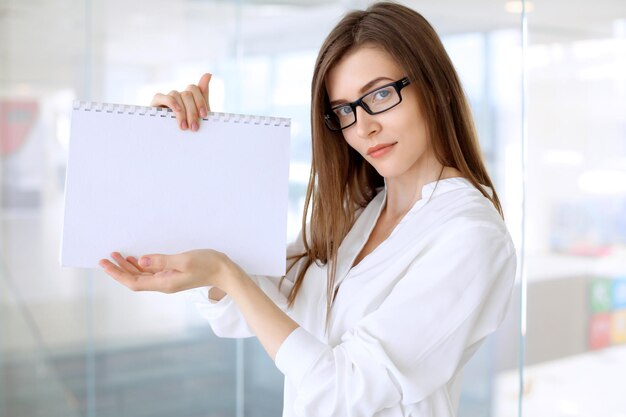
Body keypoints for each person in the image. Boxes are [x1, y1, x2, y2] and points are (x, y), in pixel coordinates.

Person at [99, 2, 517, 416]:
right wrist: (184, 149)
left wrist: (224, 273)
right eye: (344, 110)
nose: (363, 126)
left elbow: (345, 389)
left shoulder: (470, 235)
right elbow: (249, 308)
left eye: (381, 94)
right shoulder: (358, 214)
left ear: (437, 86)